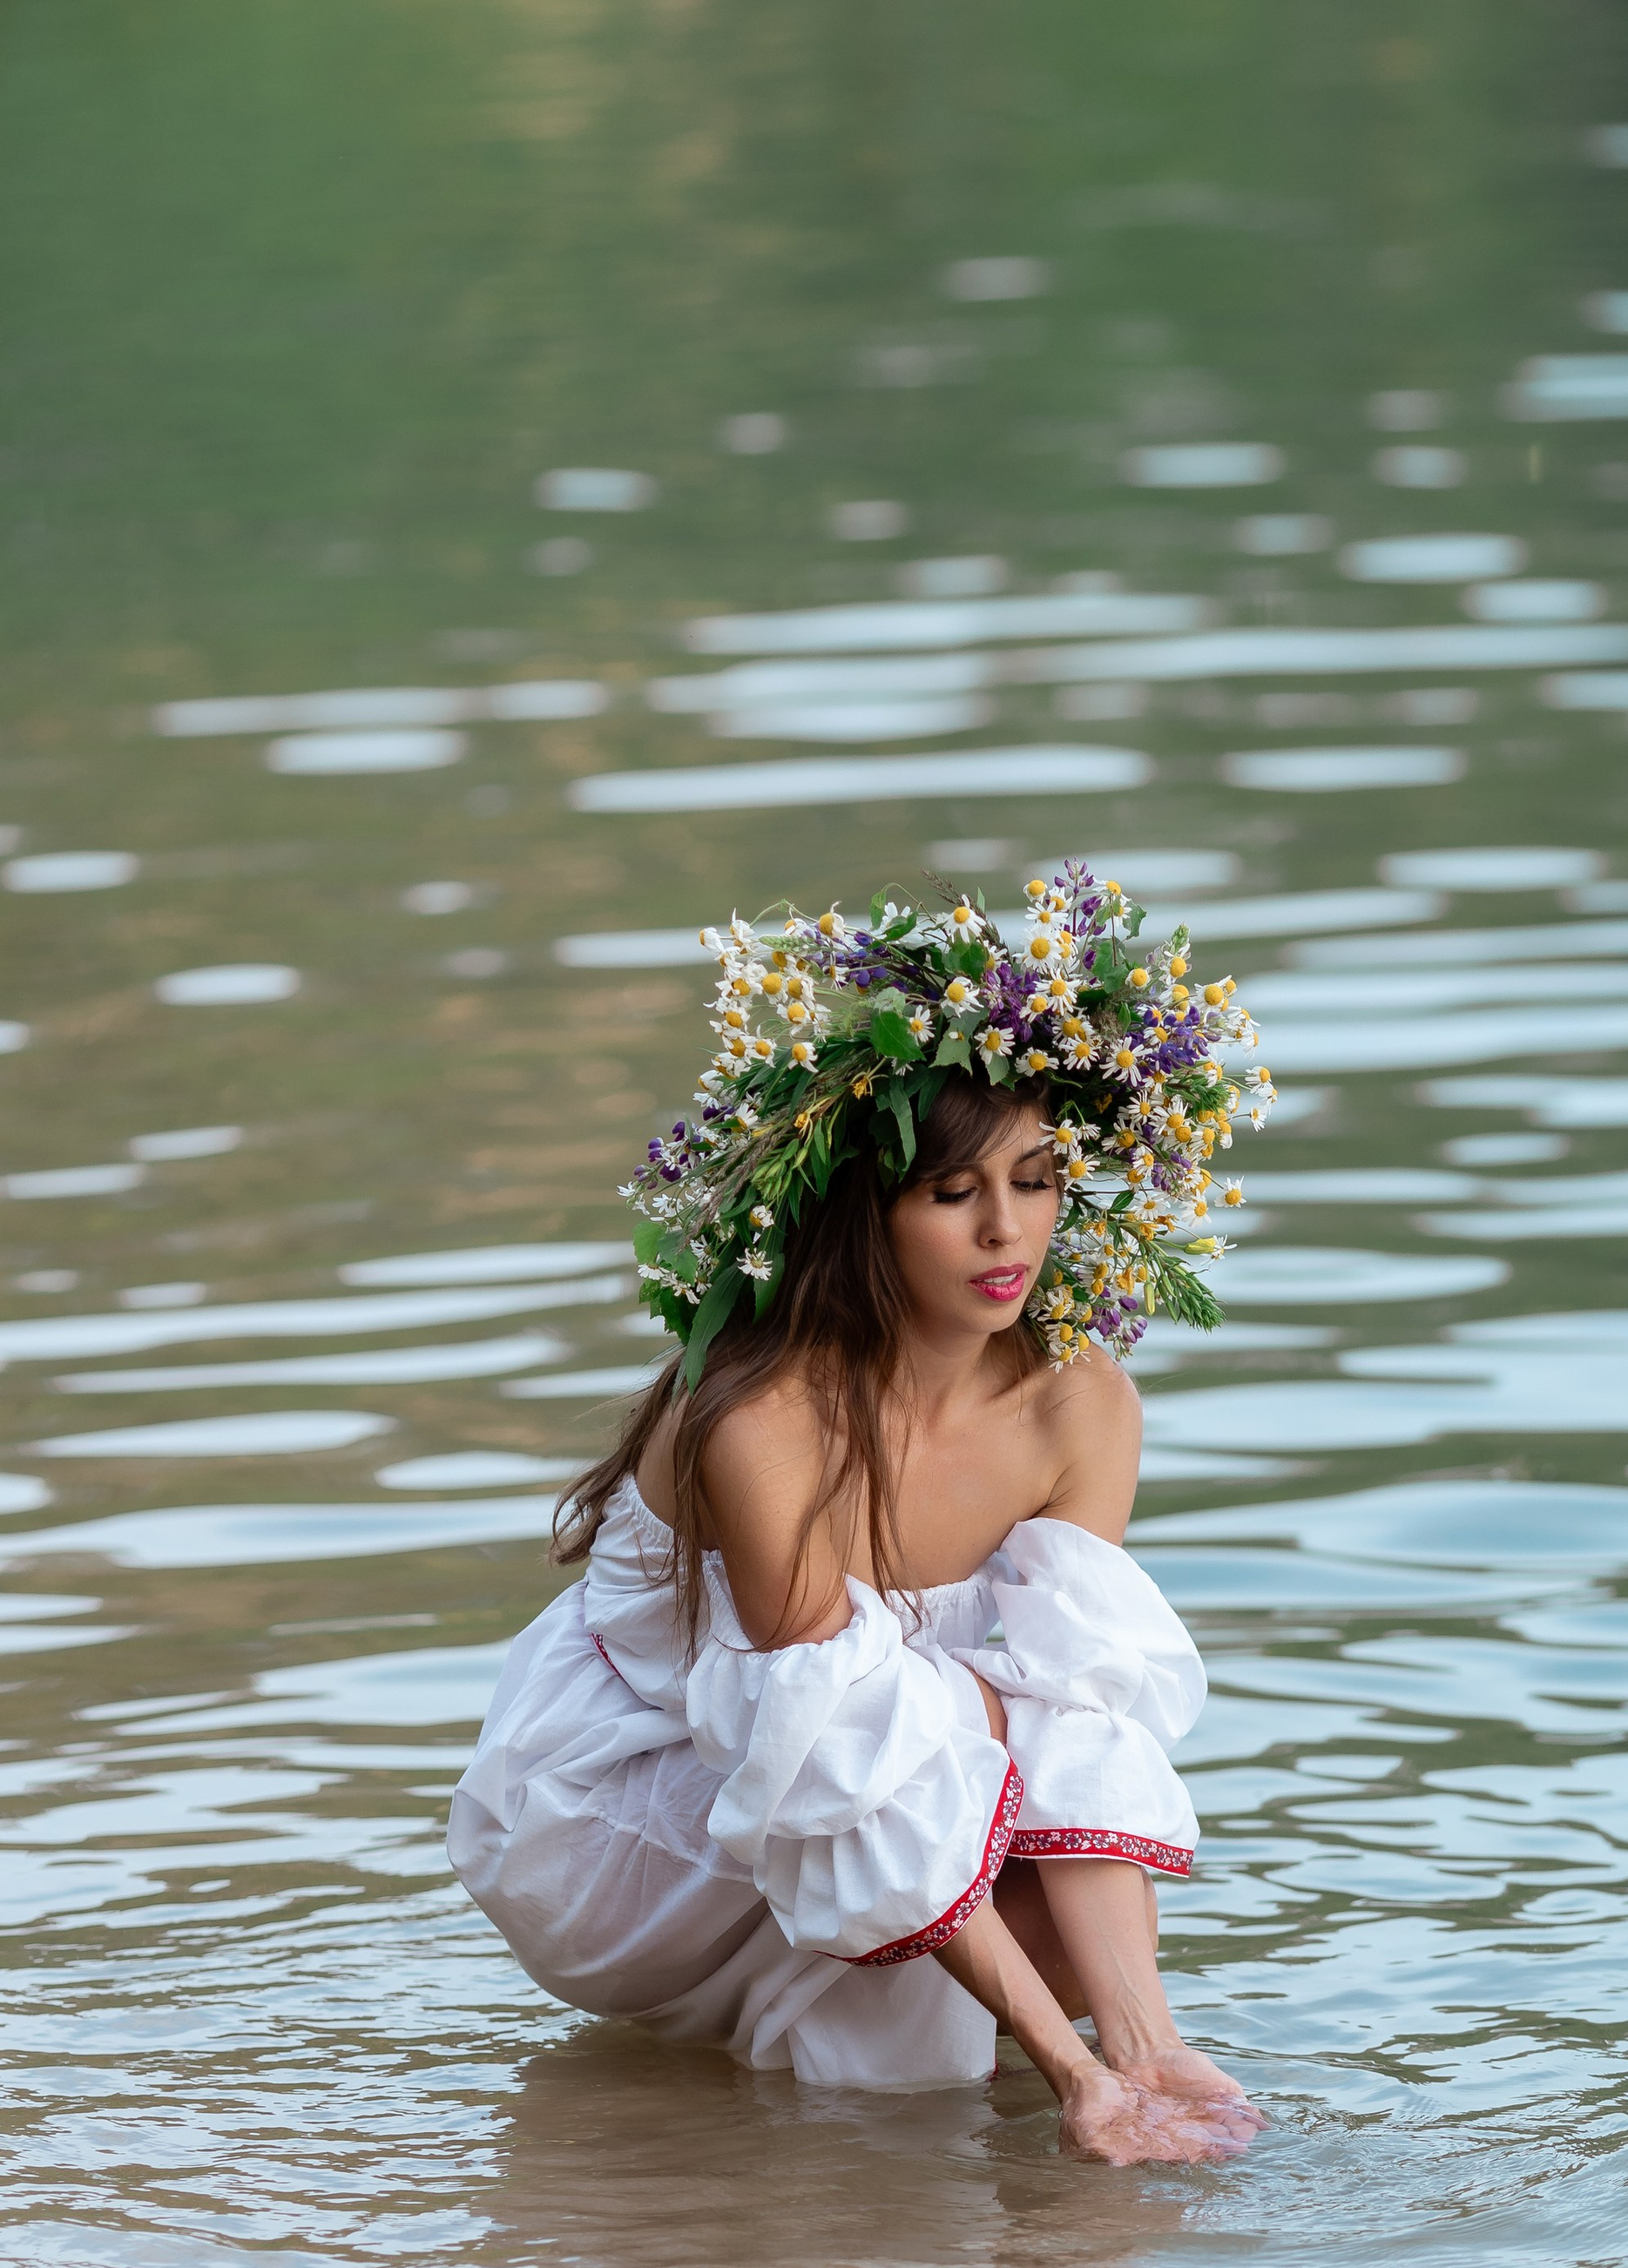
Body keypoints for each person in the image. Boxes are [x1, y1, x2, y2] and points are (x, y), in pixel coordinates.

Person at [449, 863, 1275, 2165]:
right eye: (953, 1195)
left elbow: (1084, 1710)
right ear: (862, 1215)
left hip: (849, 1777)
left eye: (1040, 1179)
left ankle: (818, 2243)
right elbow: (826, 1737)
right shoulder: (762, 1418)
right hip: (627, 1824)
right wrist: (1065, 2066)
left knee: (1033, 1780)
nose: (1010, 1231)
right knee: (969, 1727)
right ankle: (948, 2121)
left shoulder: (1081, 1406)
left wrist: (1139, 2040)